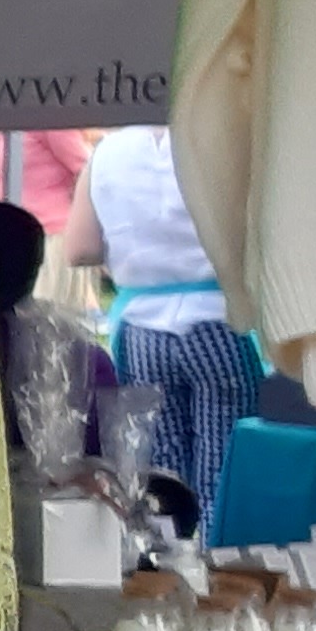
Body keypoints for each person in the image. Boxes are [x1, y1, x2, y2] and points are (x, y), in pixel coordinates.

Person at [56, 123, 261, 499]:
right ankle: (216, 550)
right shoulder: (228, 140)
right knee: (225, 465)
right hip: (220, 321)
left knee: (161, 472)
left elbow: (79, 249)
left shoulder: (106, 153)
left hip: (140, 331)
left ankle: (168, 547)